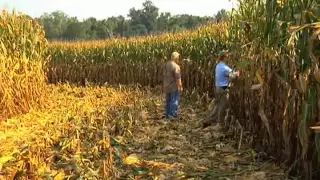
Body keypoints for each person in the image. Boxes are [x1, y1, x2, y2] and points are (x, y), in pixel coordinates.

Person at [202, 50, 240, 128]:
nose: (229, 58)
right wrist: (238, 73)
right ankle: (220, 123)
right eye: (227, 57)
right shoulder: (224, 68)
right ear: (224, 57)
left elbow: (229, 73)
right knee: (223, 106)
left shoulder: (218, 65)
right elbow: (233, 77)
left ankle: (208, 120)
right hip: (223, 89)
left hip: (218, 88)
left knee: (218, 106)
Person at [163, 51, 183, 120]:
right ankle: (172, 115)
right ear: (176, 58)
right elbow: (178, 78)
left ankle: (167, 115)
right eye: (178, 58)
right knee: (174, 101)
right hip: (173, 87)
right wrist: (180, 86)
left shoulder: (166, 64)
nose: (179, 59)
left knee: (168, 101)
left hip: (166, 86)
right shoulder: (176, 66)